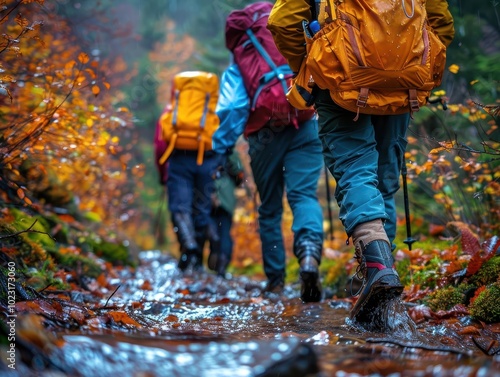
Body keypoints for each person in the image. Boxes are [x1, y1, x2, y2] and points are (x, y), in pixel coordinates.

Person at [267, 0, 455, 321]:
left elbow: (283, 20)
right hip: (403, 84)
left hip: (339, 79)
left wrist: (314, 63)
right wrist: (408, 62)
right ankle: (386, 299)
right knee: (383, 181)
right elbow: (440, 22)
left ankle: (377, 268)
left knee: (356, 170)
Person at [213, 2, 325, 302]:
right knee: (304, 196)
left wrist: (222, 148)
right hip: (305, 119)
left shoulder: (243, 56)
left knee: (270, 209)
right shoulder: (293, 32)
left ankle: (275, 282)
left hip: (264, 134)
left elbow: (234, 106)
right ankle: (309, 253)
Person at [154, 100, 221, 273]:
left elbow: (160, 146)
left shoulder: (172, 111)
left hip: (179, 163)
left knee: (180, 208)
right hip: (205, 161)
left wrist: (163, 175)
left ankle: (189, 246)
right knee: (201, 209)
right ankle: (198, 258)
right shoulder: (210, 112)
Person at [207, 148, 244, 278]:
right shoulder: (229, 147)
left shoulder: (203, 141)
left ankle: (212, 252)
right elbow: (239, 172)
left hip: (205, 192)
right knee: (224, 231)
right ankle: (222, 265)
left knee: (207, 227)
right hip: (225, 195)